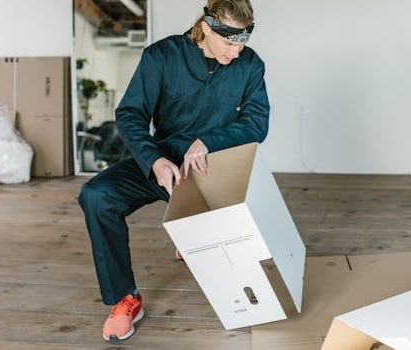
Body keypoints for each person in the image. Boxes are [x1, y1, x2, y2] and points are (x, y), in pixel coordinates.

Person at [77, 0, 269, 342]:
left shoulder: (251, 65)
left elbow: (257, 124)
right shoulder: (160, 56)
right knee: (96, 195)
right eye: (229, 42)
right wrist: (154, 160)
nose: (237, 52)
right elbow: (130, 114)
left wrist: (208, 141)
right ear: (207, 28)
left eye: (243, 42)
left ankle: (191, 229)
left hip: (213, 168)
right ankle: (125, 298)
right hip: (163, 162)